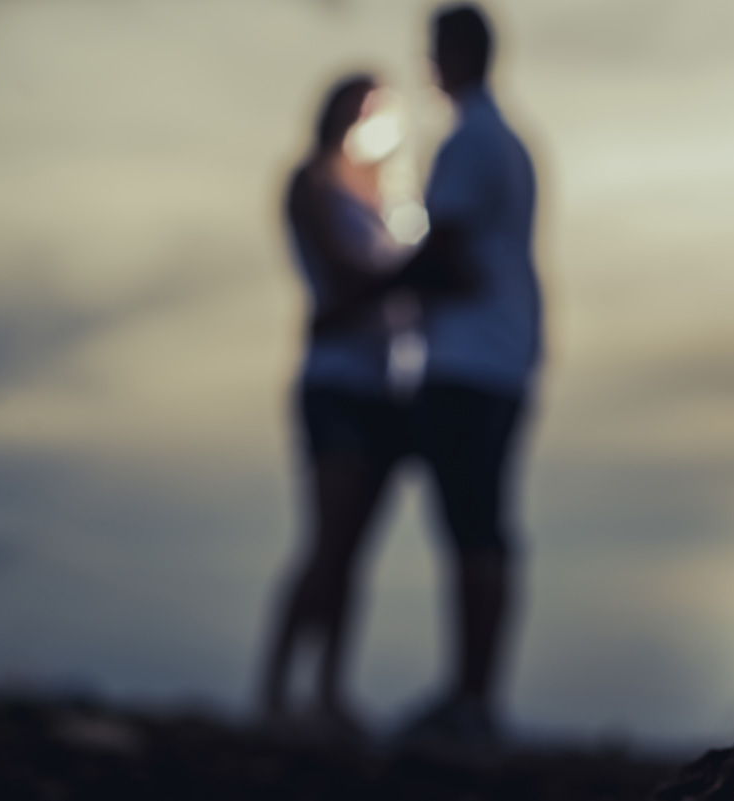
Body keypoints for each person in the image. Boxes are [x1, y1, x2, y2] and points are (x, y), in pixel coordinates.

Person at [394, 3, 543, 746]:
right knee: (485, 529)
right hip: (507, 357)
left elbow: (444, 251)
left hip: (467, 361)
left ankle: (467, 697)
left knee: (469, 530)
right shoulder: (510, 143)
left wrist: (369, 289)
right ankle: (476, 696)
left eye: (434, 49)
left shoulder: (470, 142)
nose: (428, 63)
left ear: (455, 54)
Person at [259, 74, 415, 738]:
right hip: (334, 383)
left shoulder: (384, 193)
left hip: (384, 384)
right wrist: (419, 271)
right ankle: (275, 689)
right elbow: (344, 275)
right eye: (363, 107)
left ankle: (326, 691)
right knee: (327, 537)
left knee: (353, 547)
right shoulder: (309, 181)